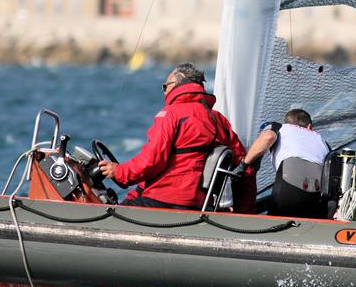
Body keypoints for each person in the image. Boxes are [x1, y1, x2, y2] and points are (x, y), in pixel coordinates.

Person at [99, 63, 255, 213]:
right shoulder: (218, 120)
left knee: (107, 208)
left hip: (164, 201)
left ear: (178, 82)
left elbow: (151, 162)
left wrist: (118, 171)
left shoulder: (170, 115)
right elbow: (245, 167)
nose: (164, 92)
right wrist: (243, 211)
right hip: (201, 206)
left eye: (165, 86)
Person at [237, 109, 329, 218]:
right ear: (309, 126)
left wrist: (244, 164)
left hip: (290, 184)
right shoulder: (322, 140)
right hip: (317, 192)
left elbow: (268, 137)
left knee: (275, 227)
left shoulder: (279, 127)